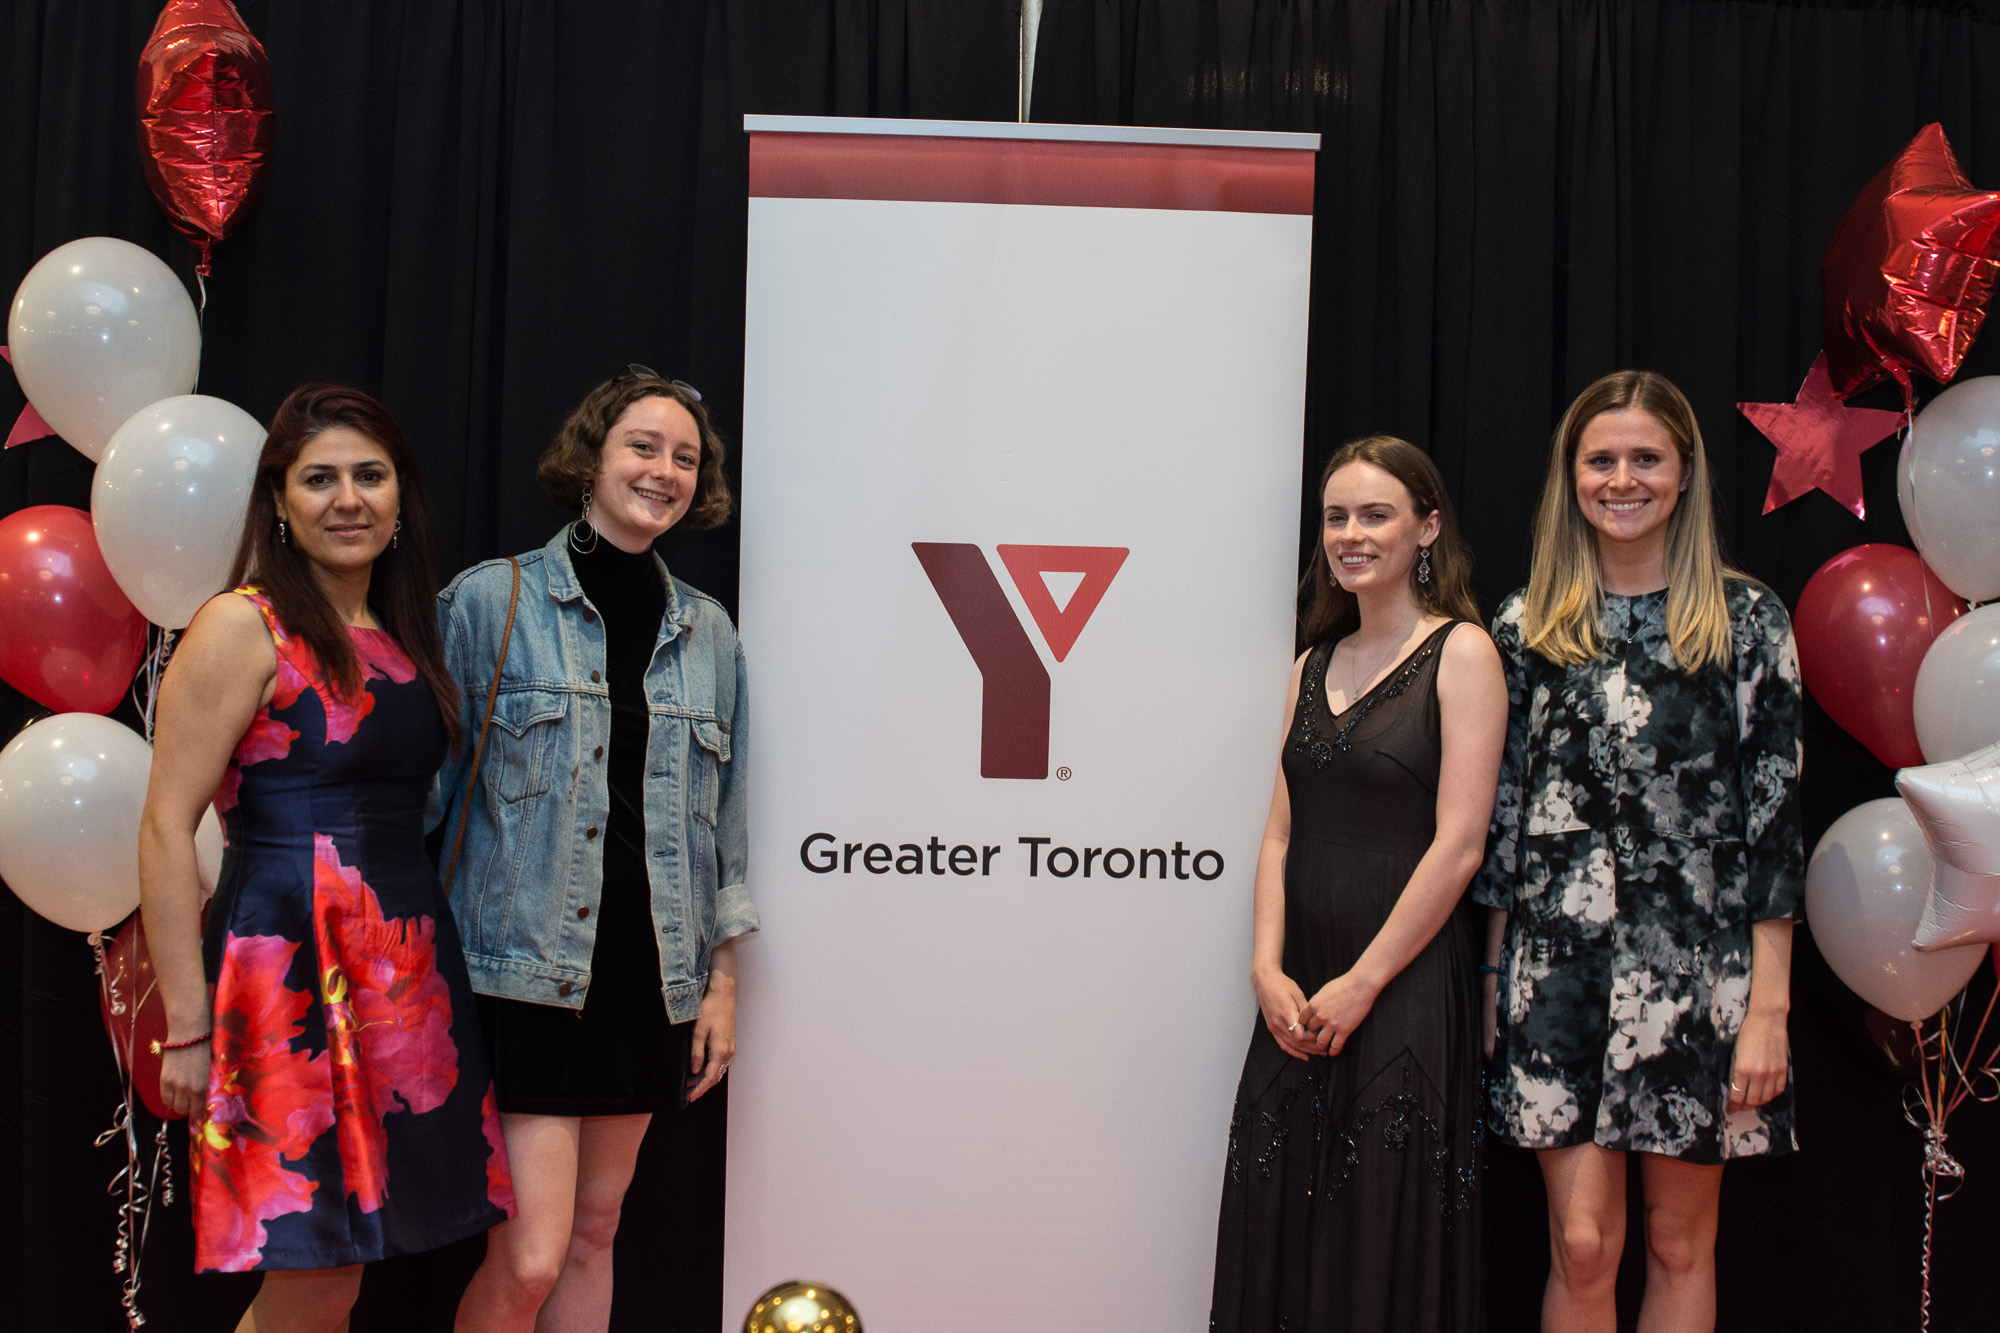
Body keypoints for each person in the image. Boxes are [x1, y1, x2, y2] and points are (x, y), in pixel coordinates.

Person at [138, 384, 515, 1330]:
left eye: (369, 476)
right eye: (319, 479)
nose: (348, 498)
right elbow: (162, 823)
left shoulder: (404, 632)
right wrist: (188, 1024)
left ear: (400, 500)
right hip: (284, 975)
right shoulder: (242, 623)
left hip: (399, 970)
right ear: (279, 502)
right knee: (305, 1264)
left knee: (345, 1269)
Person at [1473, 370, 1803, 1332]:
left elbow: (1777, 830)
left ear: (1686, 472)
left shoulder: (1747, 625)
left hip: (1701, 981)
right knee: (1580, 1245)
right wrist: (1494, 978)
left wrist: (1770, 1010)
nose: (1624, 478)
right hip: (1555, 977)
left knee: (1677, 1244)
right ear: (1570, 476)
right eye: (1601, 459)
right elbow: (1503, 817)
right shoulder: (1524, 625)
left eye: (1646, 457)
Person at [442, 367, 754, 1332]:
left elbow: (725, 819)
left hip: (649, 973)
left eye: (684, 457)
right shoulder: (493, 601)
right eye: (643, 446)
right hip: (525, 973)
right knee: (530, 1253)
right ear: (593, 457)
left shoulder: (708, 631)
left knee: (596, 1230)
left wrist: (723, 982)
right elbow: (429, 793)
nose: (663, 470)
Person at [1210, 435, 1508, 1333]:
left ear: (1427, 528)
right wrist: (1266, 968)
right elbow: (1278, 833)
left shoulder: (1463, 654)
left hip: (1401, 988)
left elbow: (1459, 847)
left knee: (1384, 1226)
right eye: (1336, 516)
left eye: (1375, 514)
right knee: (1284, 1219)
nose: (1350, 534)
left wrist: (1365, 982)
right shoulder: (1310, 663)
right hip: (1299, 989)